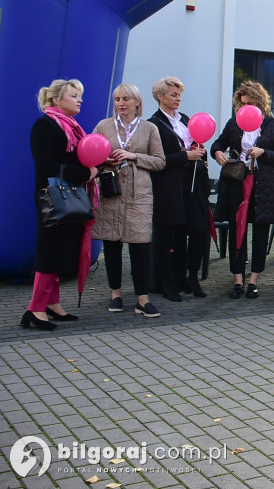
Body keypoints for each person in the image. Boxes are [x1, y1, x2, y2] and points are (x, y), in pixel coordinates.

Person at [21, 79, 98, 329]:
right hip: (52, 197)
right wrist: (85, 174)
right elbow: (47, 165)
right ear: (56, 100)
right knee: (49, 250)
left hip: (70, 195)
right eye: (74, 95)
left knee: (62, 250)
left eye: (80, 96)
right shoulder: (44, 125)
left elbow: (81, 157)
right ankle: (35, 309)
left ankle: (51, 303)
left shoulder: (73, 127)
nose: (80, 100)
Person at [92, 83, 166, 318]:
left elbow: (160, 161)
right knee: (112, 245)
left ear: (137, 102)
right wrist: (106, 161)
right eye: (117, 99)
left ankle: (142, 299)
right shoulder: (104, 126)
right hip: (111, 192)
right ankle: (116, 294)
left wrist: (133, 156)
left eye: (125, 98)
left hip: (138, 194)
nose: (120, 103)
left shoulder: (149, 128)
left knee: (139, 247)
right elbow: (90, 155)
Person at [211, 80, 274, 299]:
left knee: (260, 233)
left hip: (263, 185)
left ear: (261, 103)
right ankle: (237, 279)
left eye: (252, 103)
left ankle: (253, 280)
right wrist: (217, 153)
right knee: (237, 231)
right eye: (243, 104)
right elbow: (218, 144)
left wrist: (263, 152)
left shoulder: (273, 125)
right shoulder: (234, 123)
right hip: (236, 183)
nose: (247, 108)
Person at [149, 77, 212, 303]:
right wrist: (186, 156)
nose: (178, 99)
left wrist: (198, 149)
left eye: (179, 95)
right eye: (173, 95)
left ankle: (192, 276)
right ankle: (168, 282)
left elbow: (193, 142)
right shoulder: (153, 124)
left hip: (193, 183)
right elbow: (157, 159)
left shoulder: (185, 119)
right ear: (160, 96)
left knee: (199, 230)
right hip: (169, 185)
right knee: (170, 236)